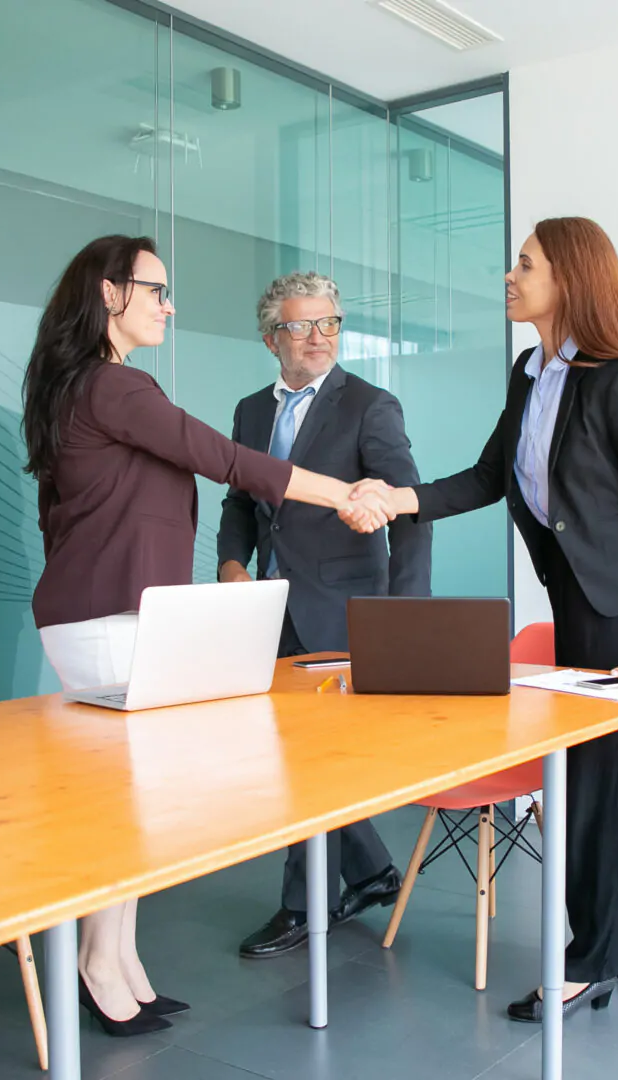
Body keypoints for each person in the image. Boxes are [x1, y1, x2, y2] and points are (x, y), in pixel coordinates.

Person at [23, 235, 391, 1038]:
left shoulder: (83, 384)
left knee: (126, 803)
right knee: (121, 807)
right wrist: (348, 495)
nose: (169, 305)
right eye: (156, 290)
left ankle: (117, 961)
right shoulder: (113, 385)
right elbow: (225, 460)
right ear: (110, 293)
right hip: (108, 617)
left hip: (105, 612)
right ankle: (98, 965)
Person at [350, 216, 618, 1023]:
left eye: (526, 265)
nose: (510, 277)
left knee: (603, 788)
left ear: (569, 278)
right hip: (575, 603)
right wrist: (402, 500)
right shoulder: (530, 372)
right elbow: (491, 475)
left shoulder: (617, 380)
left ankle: (589, 962)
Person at [219, 271, 433, 959]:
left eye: (329, 323)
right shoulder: (251, 411)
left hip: (344, 609)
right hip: (270, 609)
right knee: (291, 756)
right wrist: (231, 563)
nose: (319, 338)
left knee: (309, 762)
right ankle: (369, 870)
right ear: (270, 338)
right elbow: (239, 501)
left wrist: (404, 619)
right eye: (301, 326)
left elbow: (410, 509)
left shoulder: (370, 405)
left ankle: (302, 906)